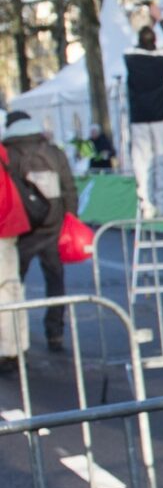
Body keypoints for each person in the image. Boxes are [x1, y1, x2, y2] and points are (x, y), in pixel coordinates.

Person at [4, 111, 78, 351]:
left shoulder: (9, 153)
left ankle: (16, 340)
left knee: (13, 286)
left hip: (22, 229)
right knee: (55, 282)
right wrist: (70, 218)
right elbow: (69, 187)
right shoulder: (52, 151)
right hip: (53, 226)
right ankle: (55, 331)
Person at [124, 7, 163, 217]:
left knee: (142, 162)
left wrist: (148, 25)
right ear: (155, 40)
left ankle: (146, 205)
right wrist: (161, 20)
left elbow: (132, 42)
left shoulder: (130, 57)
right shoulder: (161, 58)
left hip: (139, 117)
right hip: (160, 116)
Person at [0, 130, 30, 379]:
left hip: (3, 229)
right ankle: (18, 346)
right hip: (10, 226)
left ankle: (9, 349)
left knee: (5, 292)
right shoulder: (4, 153)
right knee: (11, 288)